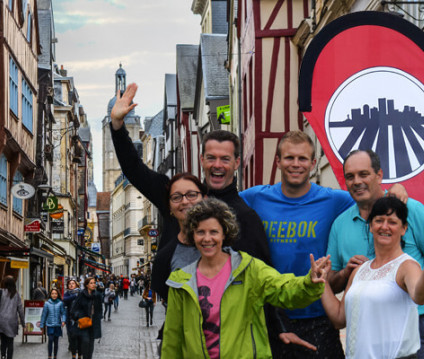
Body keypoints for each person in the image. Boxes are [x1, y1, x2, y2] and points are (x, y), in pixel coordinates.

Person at [240, 131, 407, 358]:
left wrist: (396, 189)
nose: (296, 164)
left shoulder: (334, 200)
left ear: (313, 163)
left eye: (302, 159)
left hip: (318, 316)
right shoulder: (256, 198)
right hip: (272, 314)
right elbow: (220, 202)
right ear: (278, 161)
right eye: (289, 158)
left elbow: (372, 196)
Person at [108, 84, 271, 302]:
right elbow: (136, 171)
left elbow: (264, 280)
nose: (217, 165)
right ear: (202, 160)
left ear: (237, 163)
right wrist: (118, 126)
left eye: (225, 159)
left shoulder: (246, 217)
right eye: (211, 158)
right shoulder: (182, 199)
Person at [327, 149, 424, 359]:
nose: (357, 181)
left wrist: (417, 298)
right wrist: (345, 273)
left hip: (409, 330)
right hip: (363, 332)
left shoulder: (411, 210)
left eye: (363, 174)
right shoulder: (340, 224)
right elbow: (332, 283)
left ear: (379, 175)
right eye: (350, 176)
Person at [161, 198, 329, 359]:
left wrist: (309, 282)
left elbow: (284, 289)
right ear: (192, 235)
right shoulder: (181, 281)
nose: (207, 239)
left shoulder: (249, 269)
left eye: (214, 232)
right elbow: (172, 338)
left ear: (224, 233)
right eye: (200, 232)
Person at [0, 275, 25, 359]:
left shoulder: (0, 292)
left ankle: (2, 356)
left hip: (1, 320)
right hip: (12, 321)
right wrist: (23, 323)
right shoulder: (16, 294)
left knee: (3, 340)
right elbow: (20, 309)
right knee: (10, 342)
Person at [70, 277, 103, 359]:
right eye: (91, 283)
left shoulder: (97, 295)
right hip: (84, 323)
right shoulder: (82, 294)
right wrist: (78, 318)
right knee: (85, 342)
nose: (93, 285)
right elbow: (74, 308)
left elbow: (100, 309)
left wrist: (98, 317)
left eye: (94, 283)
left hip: (93, 323)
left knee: (91, 344)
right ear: (87, 285)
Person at [41, 288, 67, 359]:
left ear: (58, 294)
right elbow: (44, 315)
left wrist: (63, 320)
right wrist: (42, 324)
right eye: (53, 293)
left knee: (56, 342)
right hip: (50, 325)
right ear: (50, 294)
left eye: (55, 293)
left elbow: (63, 313)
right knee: (50, 340)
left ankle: (55, 356)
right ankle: (49, 356)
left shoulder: (60, 303)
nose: (54, 295)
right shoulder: (47, 303)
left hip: (57, 325)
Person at [62, 279, 82, 359]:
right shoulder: (67, 293)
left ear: (76, 285)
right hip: (69, 317)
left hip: (78, 317)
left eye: (73, 283)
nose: (71, 285)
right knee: (69, 333)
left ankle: (76, 348)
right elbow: (64, 300)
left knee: (77, 334)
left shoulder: (80, 293)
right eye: (69, 284)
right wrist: (74, 296)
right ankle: (71, 345)